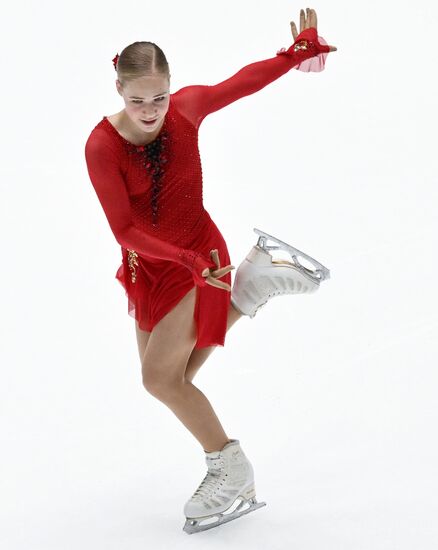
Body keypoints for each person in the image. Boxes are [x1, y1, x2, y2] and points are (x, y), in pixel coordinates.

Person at [84, 7, 336, 534]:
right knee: (173, 379)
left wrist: (293, 56)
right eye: (137, 99)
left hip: (200, 252)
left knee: (160, 379)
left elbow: (240, 83)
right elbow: (124, 231)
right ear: (118, 89)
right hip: (152, 264)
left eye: (158, 96)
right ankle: (254, 284)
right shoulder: (102, 146)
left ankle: (228, 465)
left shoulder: (188, 107)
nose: (150, 110)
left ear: (170, 86)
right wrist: (182, 262)